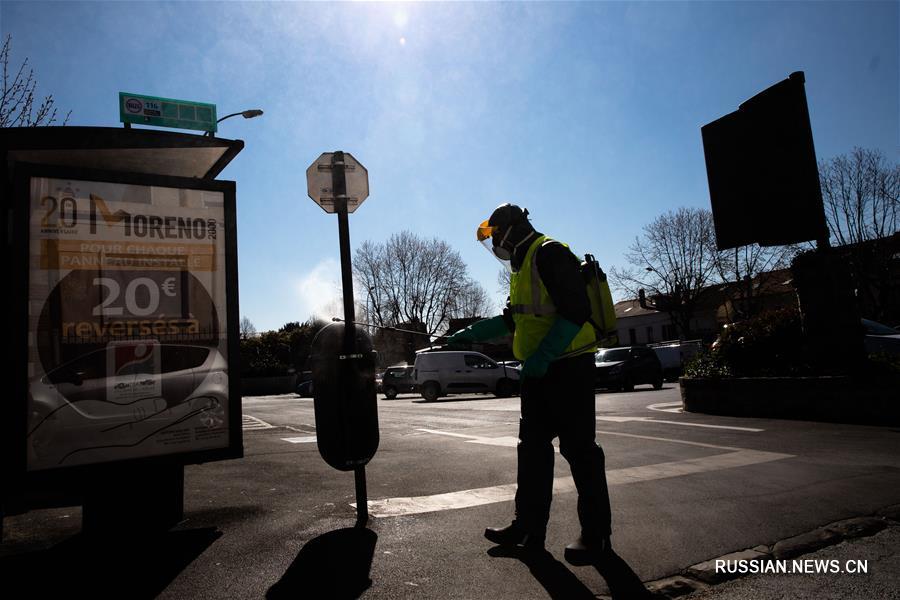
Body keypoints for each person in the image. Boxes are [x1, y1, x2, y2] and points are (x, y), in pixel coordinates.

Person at [446, 203, 613, 566]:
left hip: (569, 369)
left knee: (580, 451)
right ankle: (528, 528)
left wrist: (543, 357)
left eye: (495, 235)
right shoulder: (521, 266)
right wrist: (469, 334)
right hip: (539, 375)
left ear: (510, 229)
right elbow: (514, 319)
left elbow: (575, 311)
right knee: (533, 451)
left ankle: (597, 536)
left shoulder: (550, 252)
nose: (495, 244)